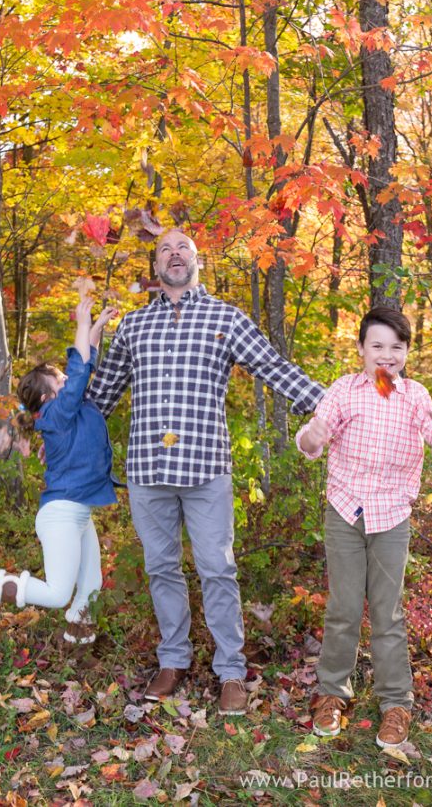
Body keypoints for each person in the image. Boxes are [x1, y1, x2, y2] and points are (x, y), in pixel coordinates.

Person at [88, 229, 324, 715]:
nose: (174, 255)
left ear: (198, 260)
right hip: (148, 471)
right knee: (161, 569)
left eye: (183, 249)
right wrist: (56, 426)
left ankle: (231, 671)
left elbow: (274, 368)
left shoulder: (226, 318)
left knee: (218, 569)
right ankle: (173, 661)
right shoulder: (133, 327)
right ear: (155, 265)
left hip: (205, 470)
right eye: (164, 250)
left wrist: (331, 407)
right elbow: (99, 398)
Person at [296, 306, 432, 748]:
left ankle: (395, 703)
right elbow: (312, 441)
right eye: (377, 346)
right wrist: (313, 434)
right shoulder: (344, 391)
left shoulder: (414, 397)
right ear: (361, 350)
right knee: (343, 609)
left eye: (396, 346)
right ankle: (333, 694)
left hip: (392, 518)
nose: (386, 355)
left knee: (388, 614)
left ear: (406, 352)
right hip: (345, 513)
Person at [0, 296, 118, 646]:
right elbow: (78, 372)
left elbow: (83, 368)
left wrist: (97, 329)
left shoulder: (64, 412)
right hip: (61, 513)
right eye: (60, 381)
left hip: (78, 511)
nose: (69, 382)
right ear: (48, 399)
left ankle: (75, 651)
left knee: (90, 585)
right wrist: (82, 323)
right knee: (59, 593)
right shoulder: (57, 414)